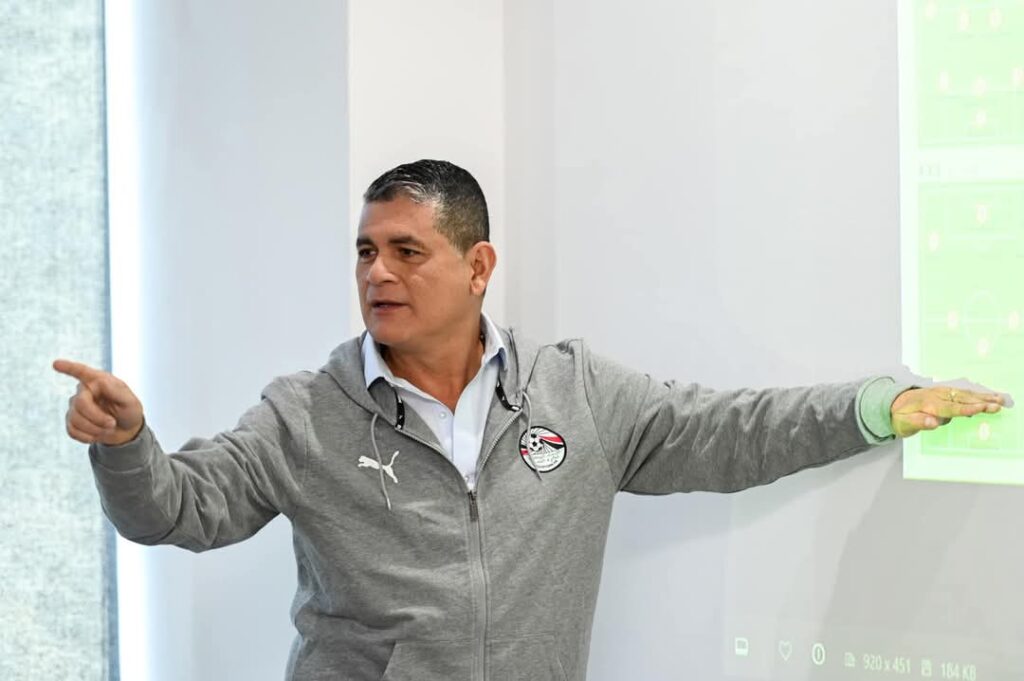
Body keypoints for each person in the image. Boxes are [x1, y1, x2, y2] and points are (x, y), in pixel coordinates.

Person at [53, 159, 1009, 681]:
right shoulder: (304, 412)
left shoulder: (574, 393)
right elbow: (177, 511)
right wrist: (128, 445)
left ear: (478, 267)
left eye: (407, 251)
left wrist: (873, 407)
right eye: (365, 251)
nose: (377, 272)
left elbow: (731, 431)